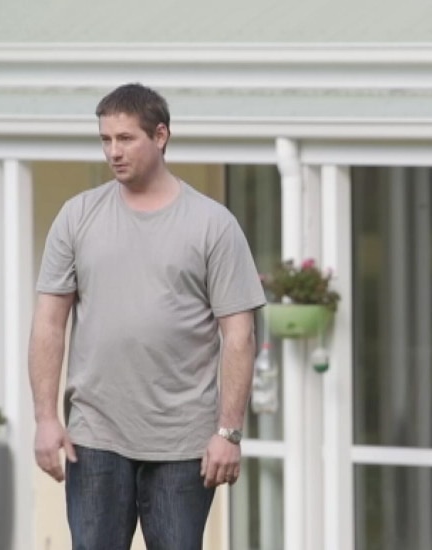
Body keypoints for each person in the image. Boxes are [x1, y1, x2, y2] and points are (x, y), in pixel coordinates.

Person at [28, 83, 266, 550]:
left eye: (125, 138)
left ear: (160, 136)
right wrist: (45, 418)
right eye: (105, 139)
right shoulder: (77, 216)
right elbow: (48, 322)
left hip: (184, 444)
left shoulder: (212, 224)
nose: (113, 152)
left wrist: (229, 432)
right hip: (95, 436)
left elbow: (239, 335)